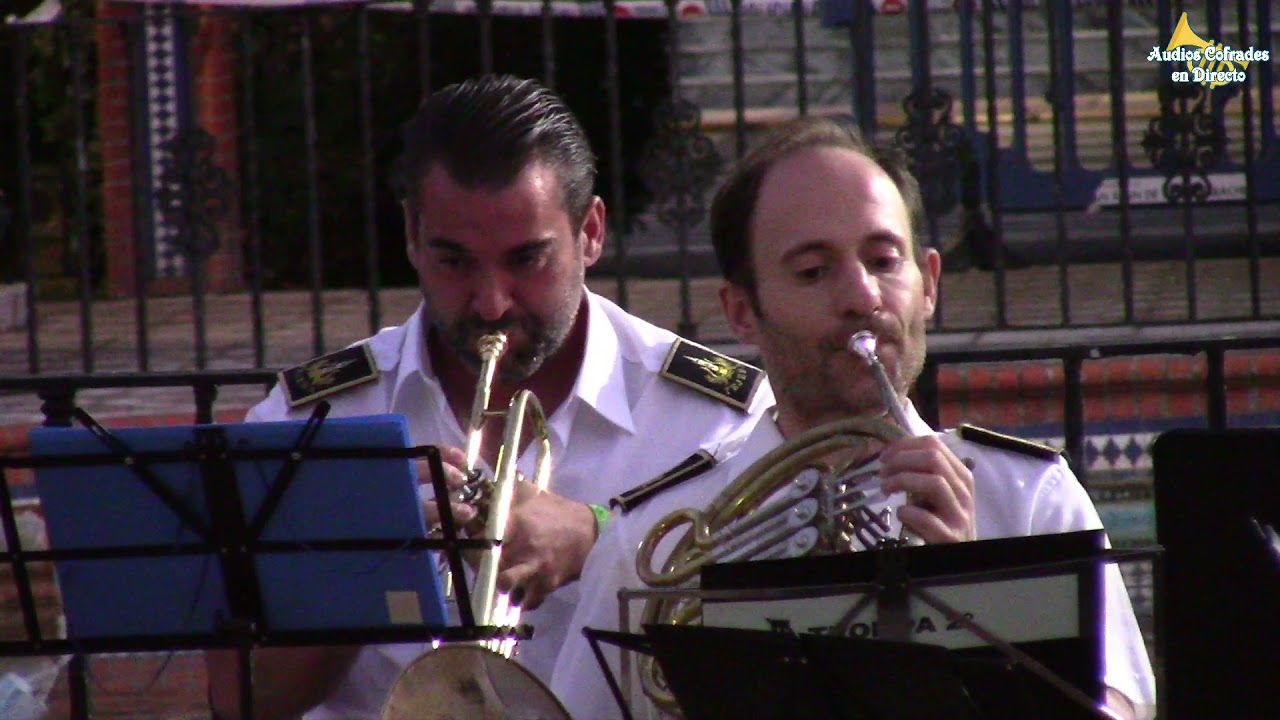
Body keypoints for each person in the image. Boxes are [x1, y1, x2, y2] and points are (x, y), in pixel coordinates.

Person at [548, 117, 1157, 720]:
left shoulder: (1029, 500)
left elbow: (1116, 710)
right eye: (813, 272)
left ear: (929, 284)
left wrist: (972, 590)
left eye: (884, 261)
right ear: (742, 312)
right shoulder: (653, 542)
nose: (863, 297)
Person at [205, 74, 773, 720]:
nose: (492, 303)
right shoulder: (307, 423)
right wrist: (361, 568)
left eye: (526, 260)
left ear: (590, 232)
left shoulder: (715, 418)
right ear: (412, 234)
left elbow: (769, 660)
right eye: (455, 262)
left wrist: (603, 539)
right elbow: (240, 701)